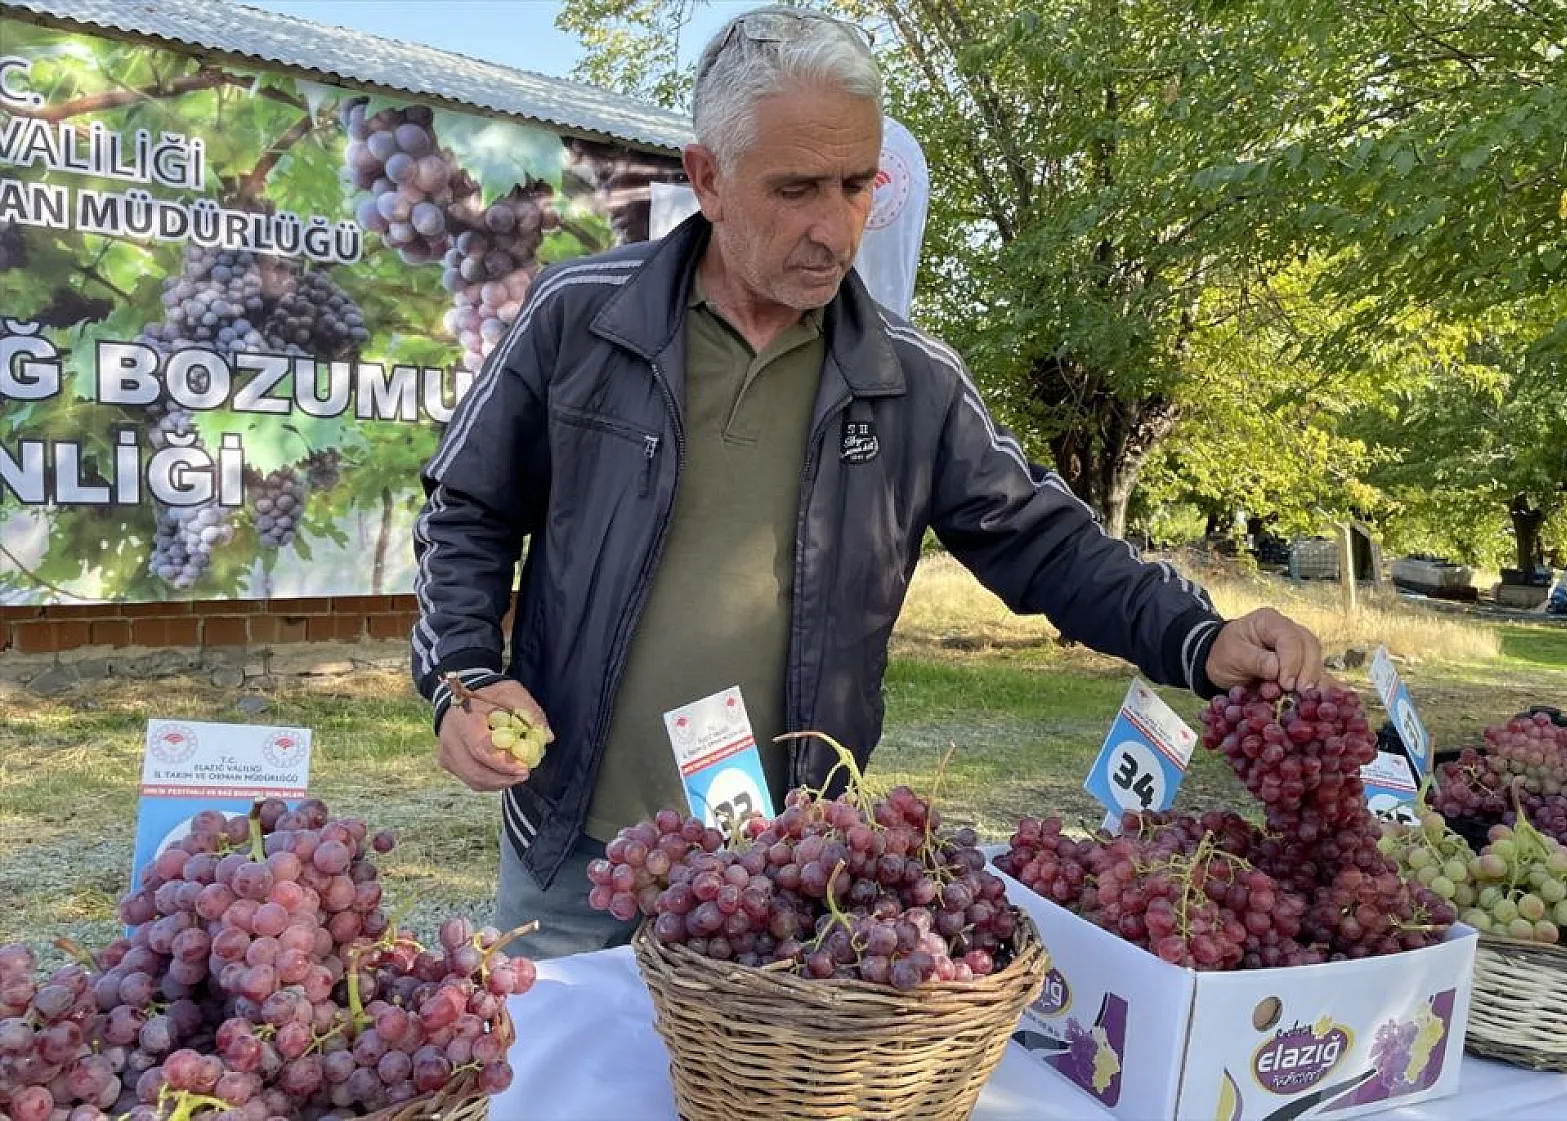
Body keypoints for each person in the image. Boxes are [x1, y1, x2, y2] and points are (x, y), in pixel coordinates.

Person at [409, 5, 1324, 961]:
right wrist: (465, 678)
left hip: (783, 875)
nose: (832, 226)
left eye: (855, 185)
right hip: (573, 861)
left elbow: (1045, 541)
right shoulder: (578, 319)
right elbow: (465, 509)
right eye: (796, 187)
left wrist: (1199, 636)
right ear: (708, 179)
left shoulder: (910, 379)